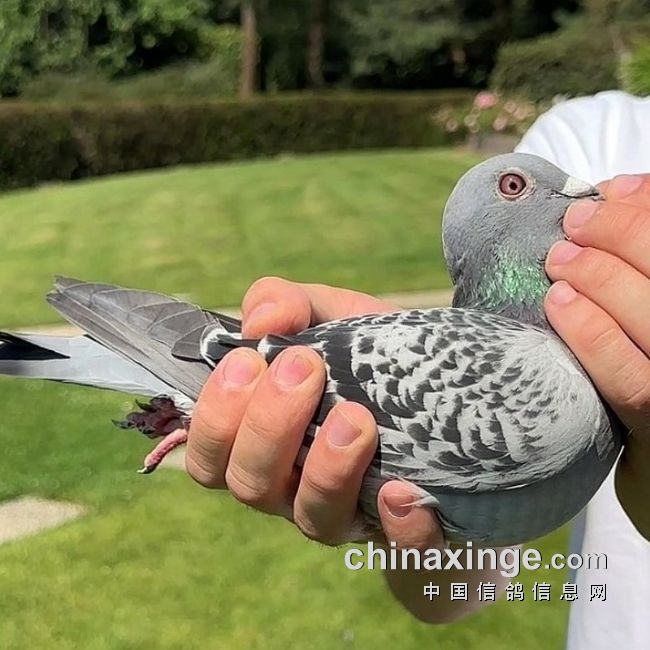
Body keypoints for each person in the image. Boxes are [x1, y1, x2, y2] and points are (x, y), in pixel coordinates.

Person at [185, 90, 650, 646]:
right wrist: (409, 522)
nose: (583, 191)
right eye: (514, 186)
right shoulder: (596, 136)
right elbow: (457, 586)